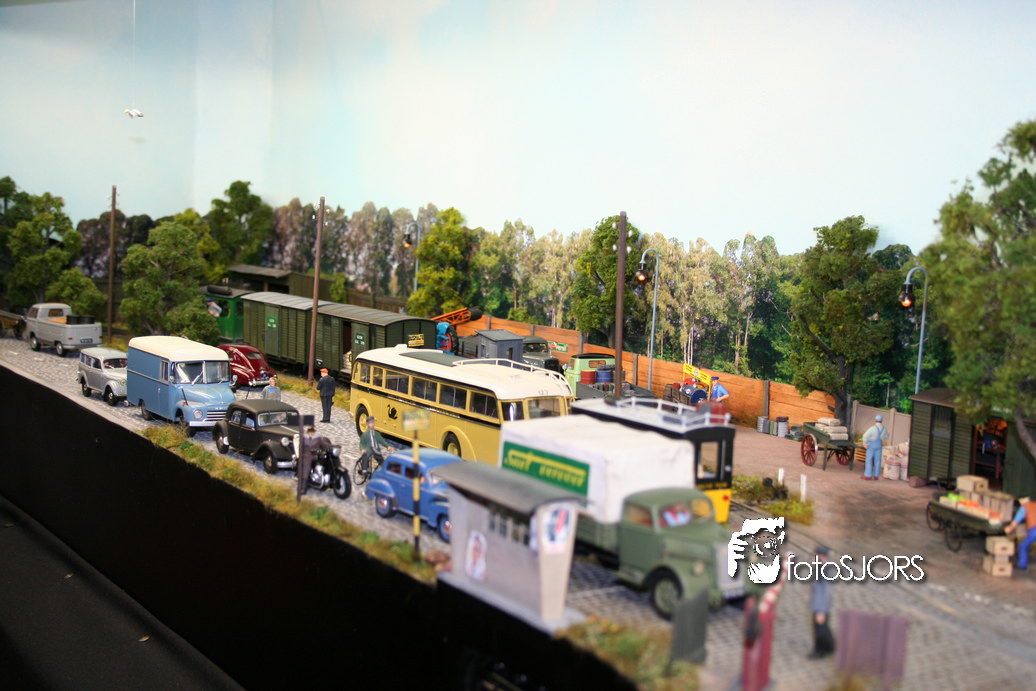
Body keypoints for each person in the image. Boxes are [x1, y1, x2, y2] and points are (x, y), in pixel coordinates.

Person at [808, 545, 836, 659]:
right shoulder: (820, 565)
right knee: (824, 627)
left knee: (819, 629)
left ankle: (819, 651)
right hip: (818, 604)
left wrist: (822, 611)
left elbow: (826, 591)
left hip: (821, 606)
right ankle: (830, 646)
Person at [297, 425, 330, 501]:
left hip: (316, 454)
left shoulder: (317, 438)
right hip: (307, 455)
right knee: (307, 466)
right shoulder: (304, 439)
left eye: (313, 431)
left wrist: (331, 446)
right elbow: (300, 448)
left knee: (325, 459)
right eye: (310, 431)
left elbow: (324, 444)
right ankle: (304, 486)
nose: (312, 433)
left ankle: (325, 477)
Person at [1005, 497, 1036, 571]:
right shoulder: (1034, 504)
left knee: (1022, 546)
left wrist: (1009, 529)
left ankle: (1022, 565)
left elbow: (1015, 522)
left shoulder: (1024, 508)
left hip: (1034, 530)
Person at [861, 414, 889, 480]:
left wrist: (865, 443)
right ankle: (876, 475)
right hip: (879, 445)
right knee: (878, 461)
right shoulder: (884, 429)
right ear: (882, 420)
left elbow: (865, 436)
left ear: (875, 420)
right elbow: (886, 437)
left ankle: (868, 475)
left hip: (871, 445)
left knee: (869, 460)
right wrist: (888, 433)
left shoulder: (872, 428)